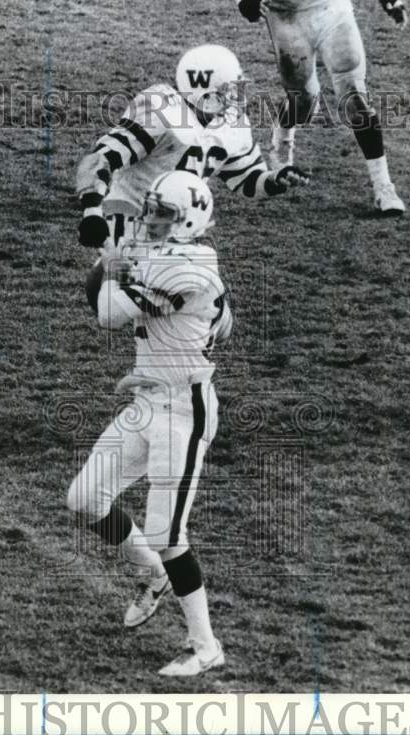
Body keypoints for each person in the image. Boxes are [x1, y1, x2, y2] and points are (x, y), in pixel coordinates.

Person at [68, 170, 232, 676]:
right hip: (152, 399)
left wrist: (111, 267)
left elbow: (107, 315)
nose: (150, 221)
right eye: (152, 210)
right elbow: (226, 324)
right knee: (84, 498)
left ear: (189, 219)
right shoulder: (183, 261)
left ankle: (204, 645)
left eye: (162, 214)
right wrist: (154, 365)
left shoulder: (185, 267)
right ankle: (151, 575)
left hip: (183, 411)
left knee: (167, 530)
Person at [213, 0, 409, 215]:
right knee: (304, 105)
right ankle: (280, 149)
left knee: (355, 98)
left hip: (332, 6)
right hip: (286, 17)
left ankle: (383, 187)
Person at [76, 44, 309, 248]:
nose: (237, 94)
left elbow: (247, 180)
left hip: (181, 225)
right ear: (205, 91)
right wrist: (92, 212)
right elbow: (99, 159)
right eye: (228, 88)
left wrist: (276, 179)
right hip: (131, 218)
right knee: (128, 293)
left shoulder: (234, 125)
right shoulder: (162, 111)